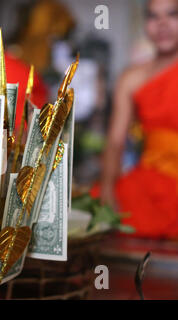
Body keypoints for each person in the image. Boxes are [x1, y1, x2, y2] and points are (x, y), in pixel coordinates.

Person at [92, 0, 178, 239]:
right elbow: (116, 141)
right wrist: (108, 191)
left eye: (172, 15)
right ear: (145, 24)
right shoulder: (132, 78)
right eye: (153, 17)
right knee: (91, 215)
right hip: (151, 182)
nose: (162, 24)